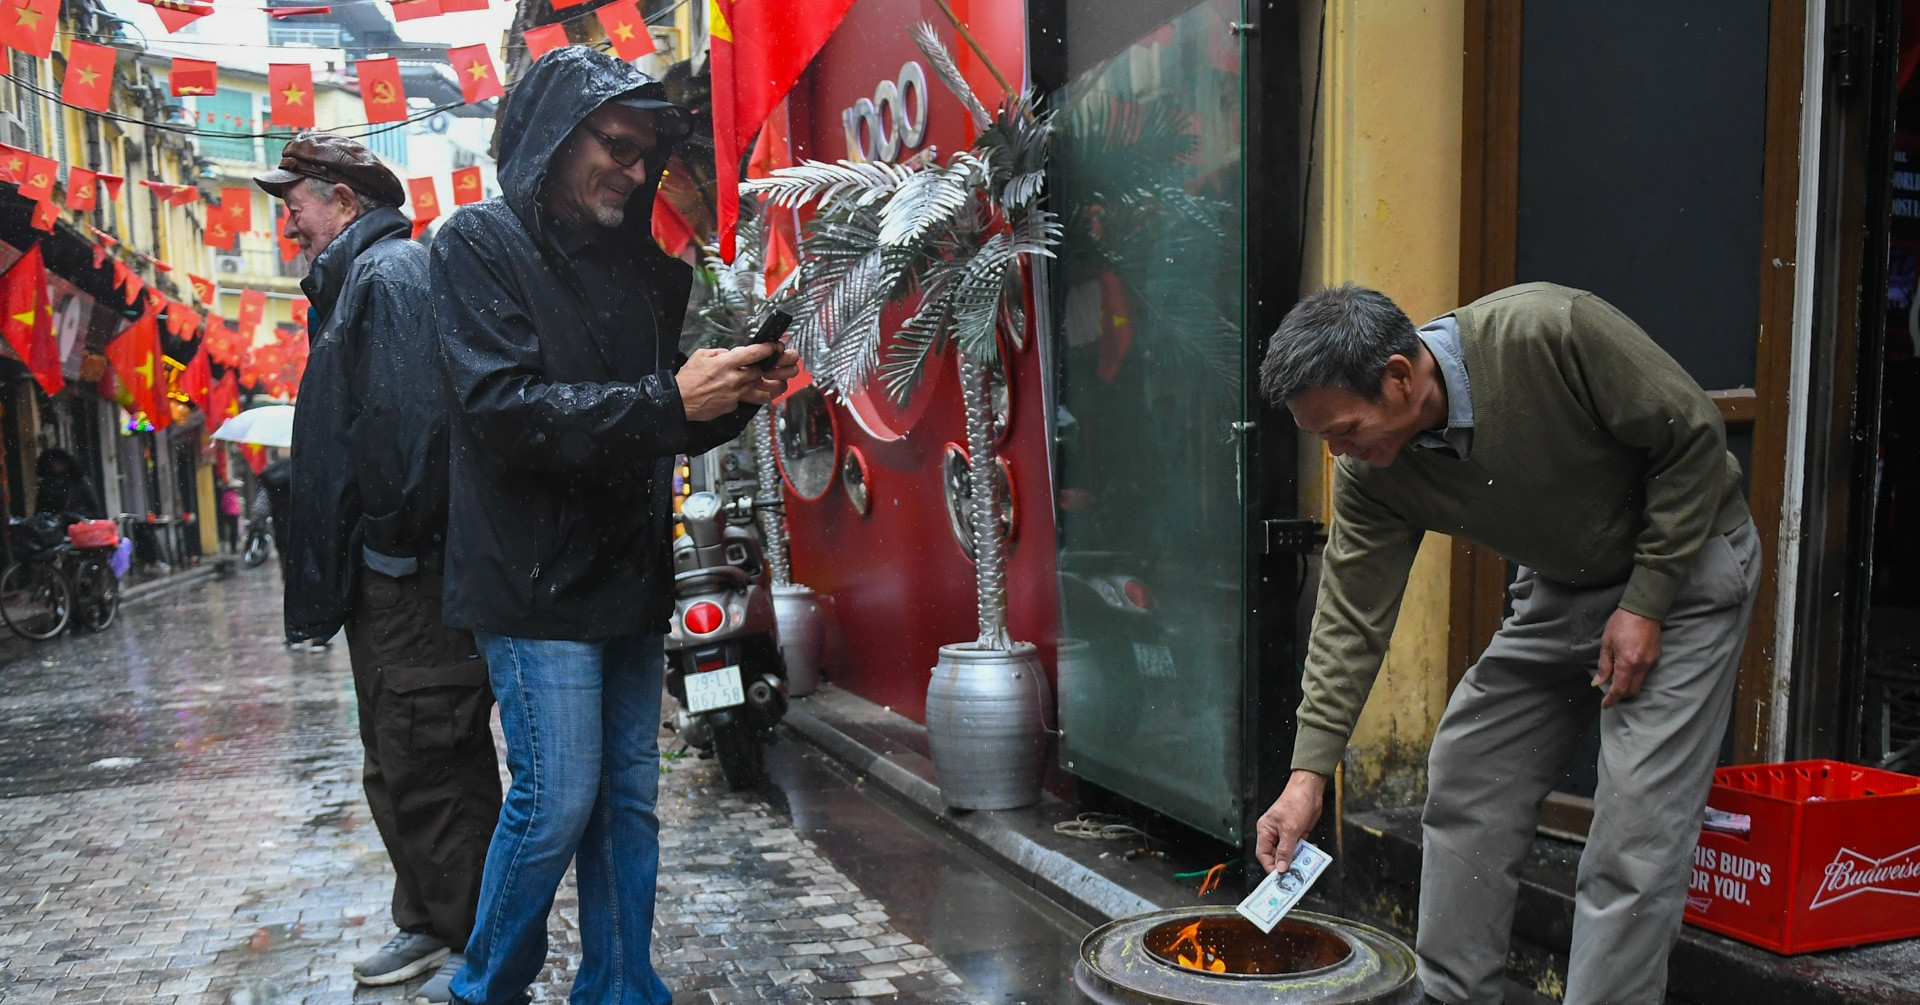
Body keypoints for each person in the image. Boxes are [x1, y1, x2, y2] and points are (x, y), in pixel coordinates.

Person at [1253, 283, 1758, 1005]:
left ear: (1400, 375)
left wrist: (1646, 601)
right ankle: (1453, 996)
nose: (1339, 453)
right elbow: (1350, 619)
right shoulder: (1372, 473)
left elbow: (1694, 437)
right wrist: (1306, 779)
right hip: (1566, 582)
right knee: (1470, 765)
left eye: (1346, 429)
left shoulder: (1551, 331)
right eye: (1324, 438)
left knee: (1634, 831)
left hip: (1685, 570)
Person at [432, 48, 797, 1005]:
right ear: (552, 139)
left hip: (625, 569)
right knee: (555, 801)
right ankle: (485, 987)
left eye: (645, 158)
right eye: (616, 147)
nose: (633, 173)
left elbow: (651, 415)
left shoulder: (643, 269)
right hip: (528, 575)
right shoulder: (473, 242)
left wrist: (733, 395)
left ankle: (623, 987)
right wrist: (673, 396)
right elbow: (506, 411)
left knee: (626, 804)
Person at [255, 131, 502, 1002]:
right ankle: (432, 918)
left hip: (412, 574)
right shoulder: (363, 278)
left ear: (346, 203)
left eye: (296, 211)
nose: (290, 231)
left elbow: (410, 432)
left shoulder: (388, 273)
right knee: (399, 752)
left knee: (429, 747)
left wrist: (391, 550)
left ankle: (474, 940)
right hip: (390, 575)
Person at [33, 448, 102, 519]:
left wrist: (75, 516)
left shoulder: (79, 481)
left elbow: (95, 510)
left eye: (58, 462)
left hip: (78, 525)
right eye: (52, 462)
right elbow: (40, 510)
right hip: (55, 526)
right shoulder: (46, 485)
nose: (55, 465)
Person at [217, 480, 242, 552]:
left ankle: (234, 546)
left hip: (234, 514)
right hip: (230, 515)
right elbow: (224, 505)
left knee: (234, 531)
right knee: (233, 531)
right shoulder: (228, 495)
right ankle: (233, 547)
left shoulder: (234, 495)